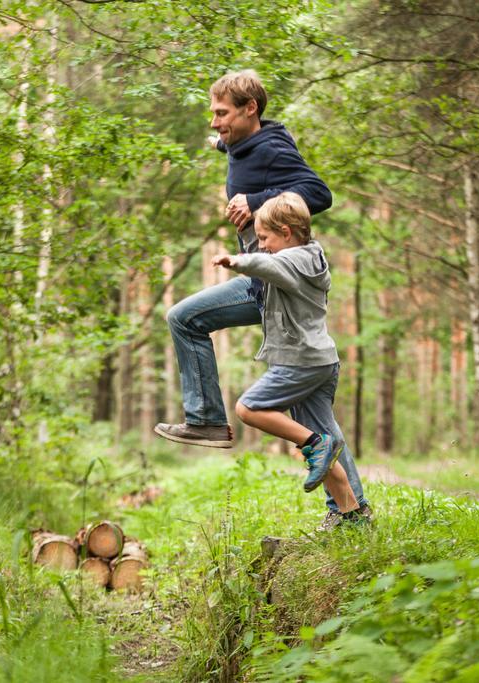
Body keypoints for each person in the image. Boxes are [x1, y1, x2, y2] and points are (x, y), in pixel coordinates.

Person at [153, 70, 369, 528]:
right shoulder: (244, 142)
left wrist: (255, 201)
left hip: (267, 282)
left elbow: (319, 194)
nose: (214, 123)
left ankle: (208, 419)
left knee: (185, 318)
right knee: (317, 422)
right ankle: (353, 513)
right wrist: (222, 145)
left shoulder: (271, 148)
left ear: (251, 109)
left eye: (222, 113)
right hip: (268, 285)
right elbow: (234, 147)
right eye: (213, 113)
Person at [211, 192, 368, 527]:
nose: (262, 245)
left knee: (249, 409)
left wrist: (237, 261)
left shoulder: (294, 260)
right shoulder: (308, 256)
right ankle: (353, 514)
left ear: (286, 231)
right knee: (327, 442)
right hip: (320, 360)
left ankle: (313, 443)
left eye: (265, 237)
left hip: (301, 362)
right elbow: (268, 257)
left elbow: (268, 264)